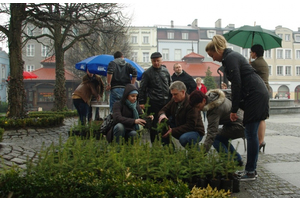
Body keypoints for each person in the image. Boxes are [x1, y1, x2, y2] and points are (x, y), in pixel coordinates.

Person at [205, 35, 269, 181]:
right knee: (250, 133)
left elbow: (237, 84)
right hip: (255, 94)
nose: (213, 58)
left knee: (251, 134)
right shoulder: (231, 57)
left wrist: (234, 110)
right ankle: (250, 170)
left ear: (218, 49)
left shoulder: (230, 58)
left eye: (212, 55)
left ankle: (251, 171)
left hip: (255, 95)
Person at [189, 89, 244, 166]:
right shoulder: (215, 98)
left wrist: (201, 155)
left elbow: (212, 133)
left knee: (215, 138)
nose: (198, 109)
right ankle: (237, 159)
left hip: (239, 126)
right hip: (241, 122)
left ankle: (228, 162)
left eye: (198, 106)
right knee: (220, 137)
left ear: (204, 100)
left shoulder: (214, 109)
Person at [158, 81, 204, 148]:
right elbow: (163, 110)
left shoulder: (191, 103)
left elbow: (190, 125)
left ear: (183, 92)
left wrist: (172, 131)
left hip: (195, 131)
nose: (173, 97)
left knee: (184, 139)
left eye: (175, 94)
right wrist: (162, 115)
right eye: (172, 94)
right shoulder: (174, 101)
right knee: (162, 127)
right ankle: (170, 153)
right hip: (179, 127)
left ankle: (196, 155)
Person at [138, 52, 172, 143]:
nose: (156, 63)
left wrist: (172, 98)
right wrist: (141, 102)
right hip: (153, 102)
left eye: (158, 61)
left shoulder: (166, 71)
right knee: (154, 125)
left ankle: (166, 144)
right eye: (154, 61)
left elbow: (170, 84)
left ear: (161, 60)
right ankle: (154, 144)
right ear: (151, 61)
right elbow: (142, 89)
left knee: (165, 123)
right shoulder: (147, 73)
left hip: (165, 102)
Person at [250, 44, 270, 152]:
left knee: (261, 117)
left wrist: (249, 64)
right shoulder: (263, 62)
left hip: (260, 92)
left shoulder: (256, 63)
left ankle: (261, 141)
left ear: (255, 53)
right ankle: (261, 140)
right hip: (265, 90)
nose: (250, 54)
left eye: (251, 52)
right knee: (262, 116)